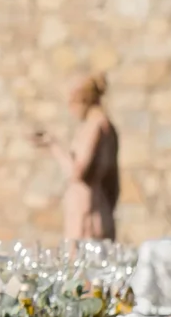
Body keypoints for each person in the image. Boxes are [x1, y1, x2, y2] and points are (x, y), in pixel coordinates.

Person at [36, 74, 119, 240]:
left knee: (81, 261)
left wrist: (54, 145)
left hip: (86, 211)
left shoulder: (95, 125)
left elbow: (77, 171)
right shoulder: (107, 126)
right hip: (97, 206)